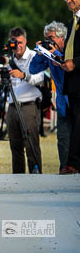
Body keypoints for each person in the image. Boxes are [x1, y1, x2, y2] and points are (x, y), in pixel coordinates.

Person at [0, 27, 44, 174]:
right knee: (15, 146)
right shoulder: (8, 58)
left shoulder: (33, 56)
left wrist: (23, 75)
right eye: (14, 42)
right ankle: (17, 178)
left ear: (25, 41)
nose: (17, 46)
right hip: (12, 106)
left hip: (29, 105)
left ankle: (36, 177)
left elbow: (40, 79)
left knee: (31, 144)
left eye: (20, 42)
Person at [29, 21, 71, 171]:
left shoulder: (71, 50)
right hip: (62, 104)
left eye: (51, 38)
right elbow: (33, 69)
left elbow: (69, 68)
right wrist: (41, 53)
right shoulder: (48, 54)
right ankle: (64, 168)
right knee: (63, 140)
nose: (49, 41)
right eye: (46, 38)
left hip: (75, 101)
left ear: (62, 38)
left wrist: (56, 54)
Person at [60, 0, 80, 174]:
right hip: (73, 81)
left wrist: (75, 63)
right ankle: (73, 163)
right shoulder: (72, 21)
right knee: (75, 120)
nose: (69, 0)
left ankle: (73, 163)